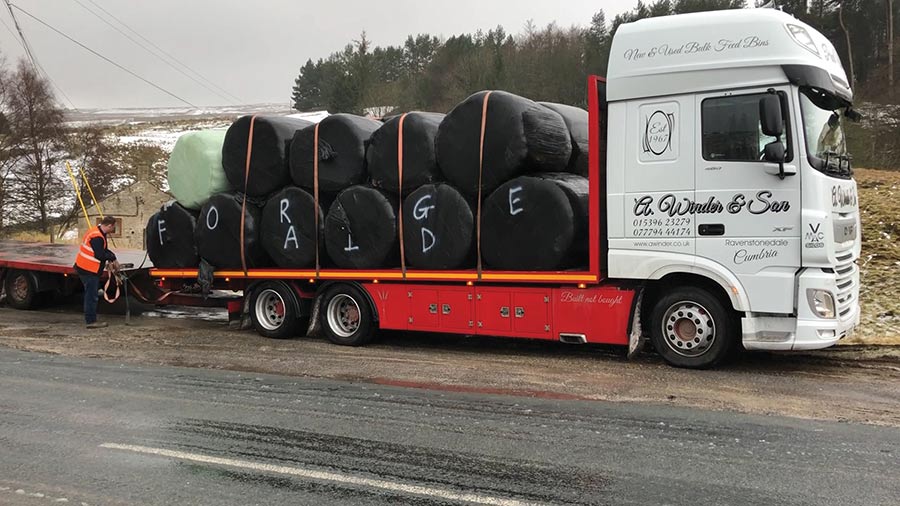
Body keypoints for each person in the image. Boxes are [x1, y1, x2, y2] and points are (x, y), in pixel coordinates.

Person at [73, 216, 118, 328]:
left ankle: (90, 319)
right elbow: (100, 255)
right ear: (109, 225)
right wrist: (111, 258)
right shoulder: (97, 237)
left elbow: (104, 250)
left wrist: (113, 257)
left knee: (91, 294)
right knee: (91, 296)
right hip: (88, 269)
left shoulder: (97, 232)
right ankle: (91, 321)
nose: (113, 230)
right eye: (113, 227)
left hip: (85, 267)